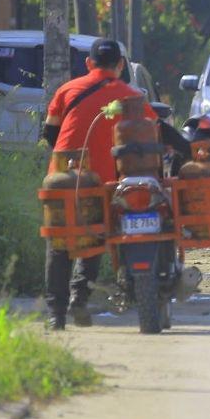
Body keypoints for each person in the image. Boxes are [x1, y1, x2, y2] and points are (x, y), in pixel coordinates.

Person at [41, 39, 186, 331]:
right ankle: (78, 299)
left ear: (88, 64)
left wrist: (71, 163)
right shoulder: (130, 96)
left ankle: (56, 314)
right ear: (120, 66)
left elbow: (50, 132)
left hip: (62, 177)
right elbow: (156, 131)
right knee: (97, 232)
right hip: (106, 179)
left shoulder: (66, 90)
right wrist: (187, 150)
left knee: (60, 240)